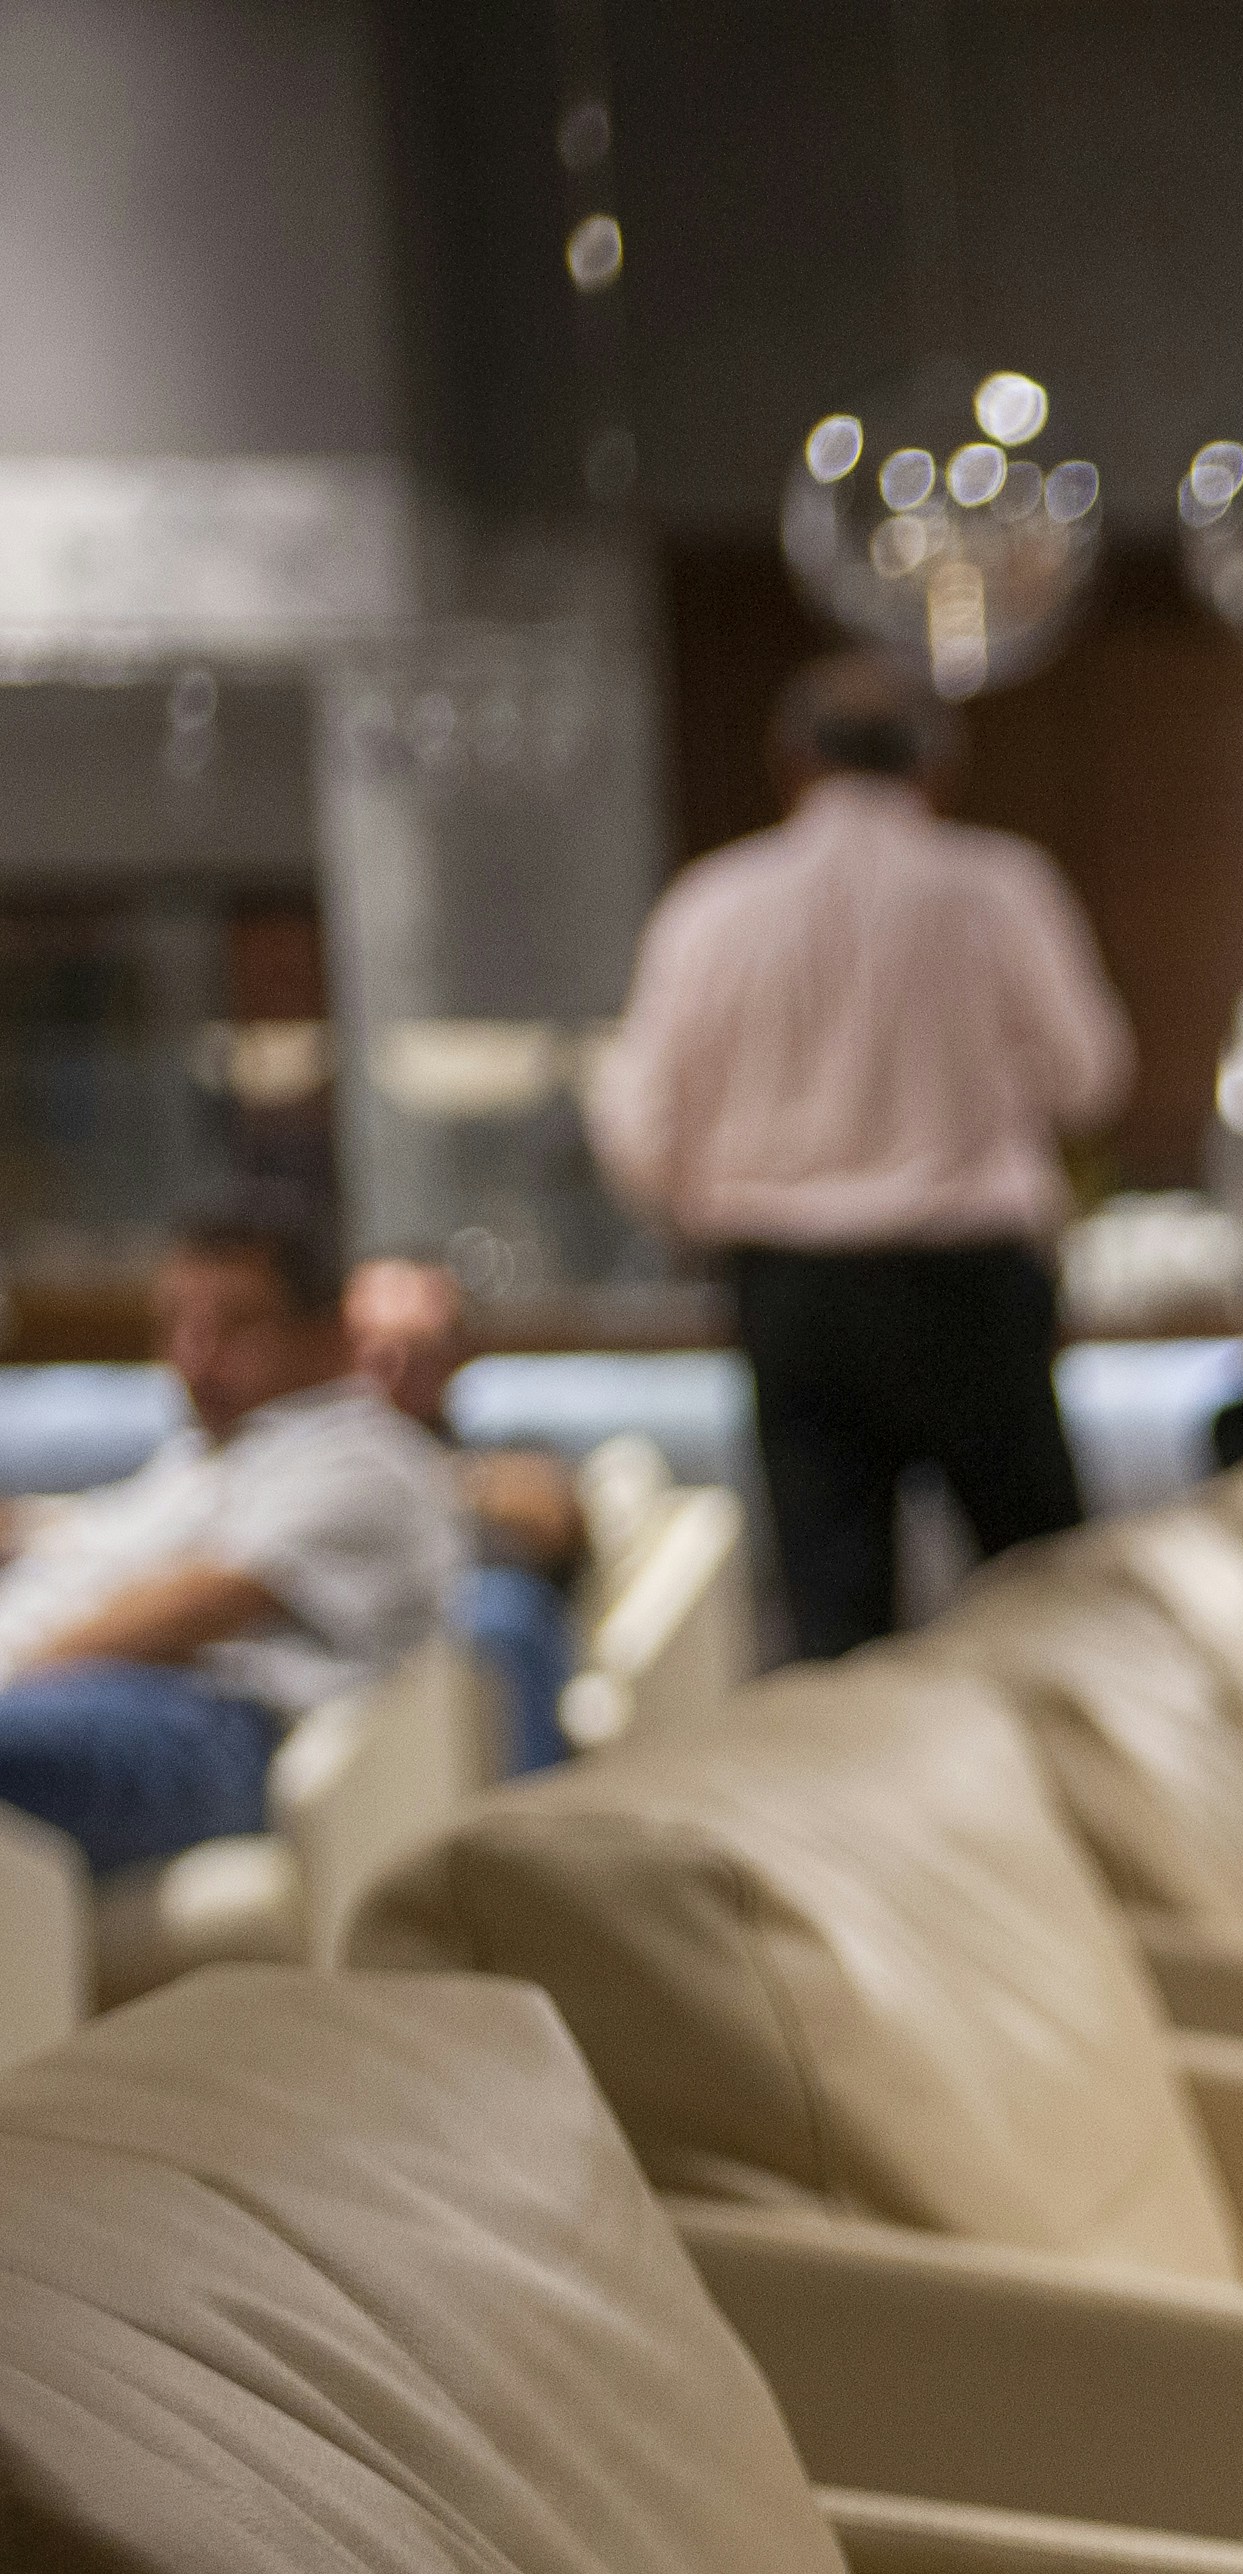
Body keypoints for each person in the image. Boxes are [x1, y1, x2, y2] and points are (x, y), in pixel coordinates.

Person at [590, 648, 1131, 1657]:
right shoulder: (997, 889)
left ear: (788, 763)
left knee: (836, 1627)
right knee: (1054, 1608)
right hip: (971, 1285)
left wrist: (700, 1215)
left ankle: (851, 1813)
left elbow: (641, 1130)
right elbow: (1088, 1077)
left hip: (795, 1294)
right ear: (936, 767)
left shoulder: (714, 905)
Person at [0, 1204, 458, 1873]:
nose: (194, 1354)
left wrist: (15, 1671)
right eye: (178, 1324)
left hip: (214, 1727)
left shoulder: (364, 1455)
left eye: (235, 1326)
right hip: (106, 1703)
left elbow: (198, 1601)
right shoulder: (208, 1454)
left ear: (331, 1335)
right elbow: (86, 1535)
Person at [345, 1253, 593, 1771]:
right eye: (370, 1341)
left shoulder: (496, 1450)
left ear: (457, 1353)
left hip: (473, 1658)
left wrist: (413, 1482)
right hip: (343, 1667)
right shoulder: (295, 1461)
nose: (391, 1363)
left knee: (506, 1612)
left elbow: (552, 1515)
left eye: (417, 1348)